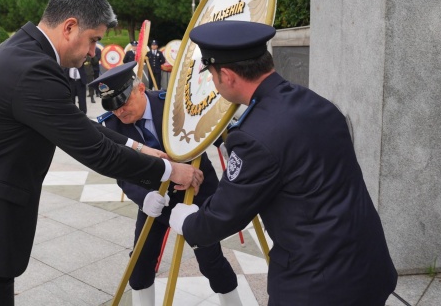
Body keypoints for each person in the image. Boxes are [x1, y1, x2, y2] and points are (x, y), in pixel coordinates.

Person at [0, 0, 203, 306]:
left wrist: (139, 147)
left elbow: (75, 125)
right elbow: (96, 152)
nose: (92, 53)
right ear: (70, 26)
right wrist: (169, 170)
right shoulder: (32, 70)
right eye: (92, 40)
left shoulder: (26, 53)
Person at [169, 21, 398, 306]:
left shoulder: (254, 136)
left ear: (226, 75)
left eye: (212, 75)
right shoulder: (317, 103)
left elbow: (225, 214)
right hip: (368, 265)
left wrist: (188, 222)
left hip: (319, 285)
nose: (214, 83)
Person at [91, 62, 241, 306]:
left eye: (124, 102)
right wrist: (143, 197)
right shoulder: (112, 124)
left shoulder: (172, 104)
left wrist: (230, 143)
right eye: (112, 106)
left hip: (195, 190)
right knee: (140, 260)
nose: (119, 112)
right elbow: (119, 168)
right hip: (154, 197)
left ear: (140, 89)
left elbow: (208, 125)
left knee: (209, 258)